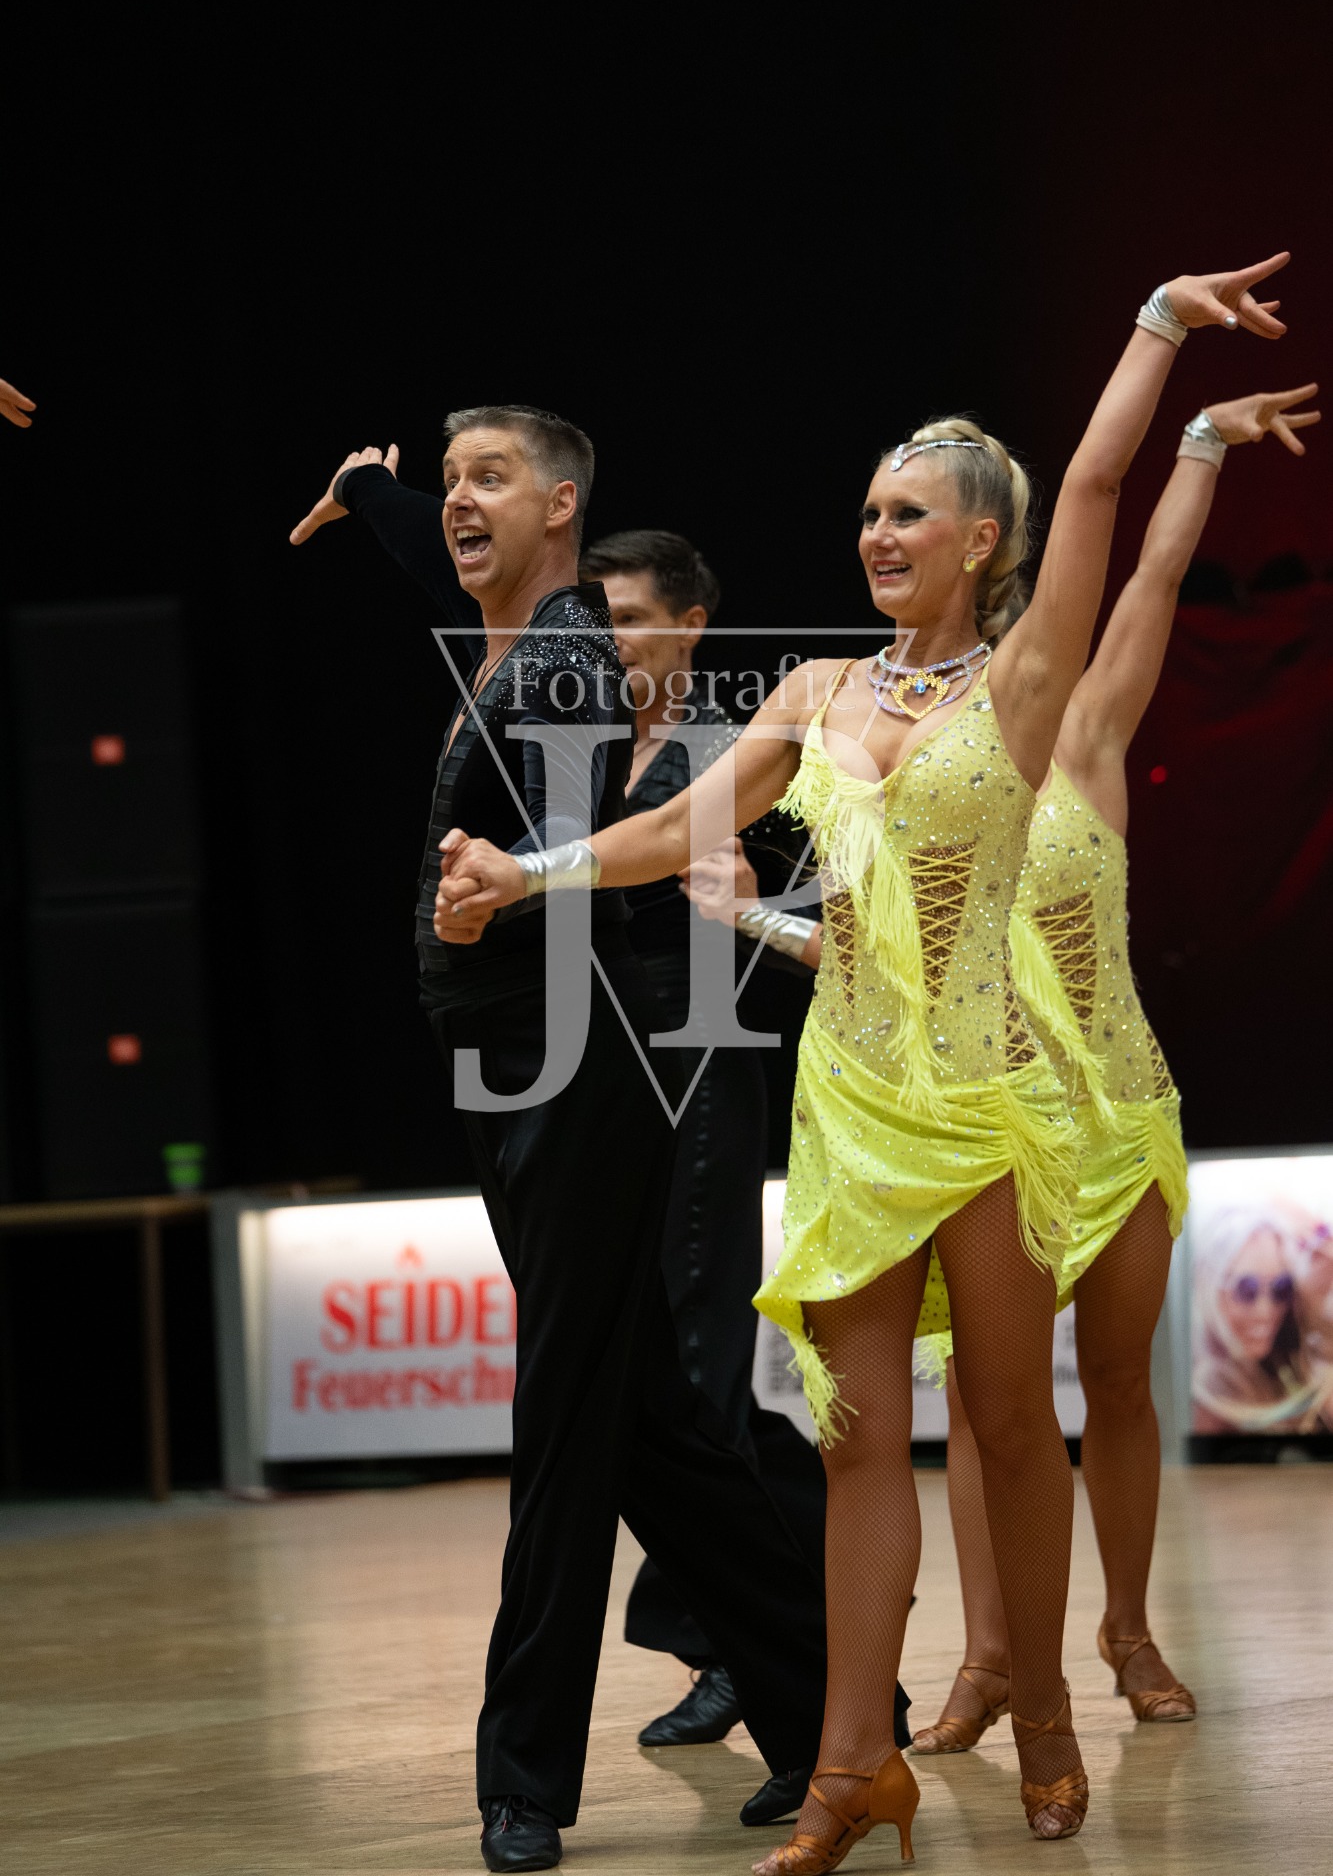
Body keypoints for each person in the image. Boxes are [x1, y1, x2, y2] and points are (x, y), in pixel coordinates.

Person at [435, 256, 1291, 1869]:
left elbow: (1094, 490)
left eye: (909, 515)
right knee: (850, 1447)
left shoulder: (1030, 683)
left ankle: (1046, 1711)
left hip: (987, 1100)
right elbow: (675, 831)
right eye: (867, 514)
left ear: (980, 542)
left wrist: (1158, 332)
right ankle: (850, 1768)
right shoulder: (816, 689)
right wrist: (527, 877)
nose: (877, 535)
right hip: (848, 1102)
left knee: (1009, 1422)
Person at [700, 385, 1319, 1746]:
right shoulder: (909, 767)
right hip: (984, 1108)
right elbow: (854, 950)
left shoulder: (1079, 729)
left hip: (1113, 1102)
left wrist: (1201, 447)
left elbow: (1151, 575)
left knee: (1115, 1383)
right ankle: (989, 1662)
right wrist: (746, 912)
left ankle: (1126, 1629)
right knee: (992, 1408)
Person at [288, 410, 828, 1875]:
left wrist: (509, 881)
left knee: (567, 1420)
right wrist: (369, 493)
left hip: (576, 1065)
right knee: (642, 1413)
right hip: (513, 1065)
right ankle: (835, 1712)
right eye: (451, 480)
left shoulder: (568, 661)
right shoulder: (512, 622)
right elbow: (433, 553)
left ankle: (521, 1777)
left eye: (492, 480)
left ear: (563, 506)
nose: (460, 503)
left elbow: (605, 854)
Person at [577, 530, 911, 1806]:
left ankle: (788, 1659)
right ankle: (770, 1629)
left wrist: (757, 900)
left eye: (627, 617)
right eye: (596, 618)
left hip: (705, 1073)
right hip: (607, 1080)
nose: (607, 641)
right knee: (657, 1382)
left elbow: (851, 912)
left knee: (700, 1372)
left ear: (691, 623)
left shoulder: (745, 753)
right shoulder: (584, 751)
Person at [1192, 1197, 1333, 1433]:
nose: (1265, 1311)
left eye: (1281, 1288)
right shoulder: (1200, 1399)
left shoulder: (1282, 1363)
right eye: (1246, 1290)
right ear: (1207, 1287)